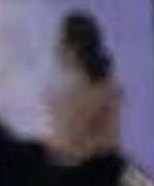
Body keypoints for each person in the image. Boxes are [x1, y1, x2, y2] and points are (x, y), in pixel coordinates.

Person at [44, 12, 124, 166]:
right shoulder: (103, 85)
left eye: (60, 42)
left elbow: (66, 143)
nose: (56, 49)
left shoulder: (89, 90)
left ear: (74, 48)